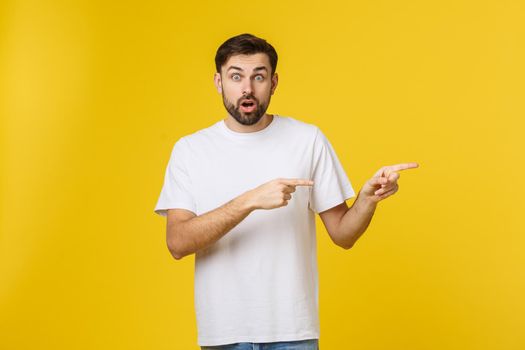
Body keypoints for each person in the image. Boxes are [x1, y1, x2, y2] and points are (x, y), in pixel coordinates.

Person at [154, 33, 419, 350]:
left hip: (293, 333)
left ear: (274, 82)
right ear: (218, 81)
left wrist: (367, 199)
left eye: (259, 77)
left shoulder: (307, 140)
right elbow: (178, 242)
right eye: (236, 76)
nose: (247, 88)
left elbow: (343, 235)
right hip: (224, 334)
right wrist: (251, 200)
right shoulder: (191, 150)